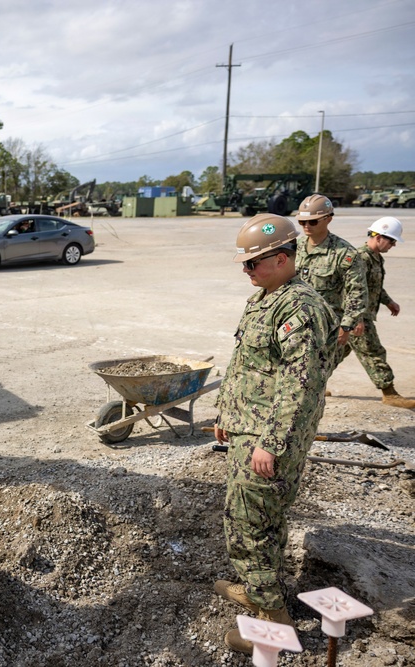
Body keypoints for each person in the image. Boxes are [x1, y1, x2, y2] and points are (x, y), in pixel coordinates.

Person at [213, 213, 337, 655]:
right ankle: (258, 587)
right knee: (260, 519)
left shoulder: (298, 307)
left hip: (269, 436)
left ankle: (273, 621)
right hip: (250, 427)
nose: (246, 271)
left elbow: (299, 384)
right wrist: (227, 410)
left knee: (250, 525)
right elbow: (249, 362)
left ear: (282, 259)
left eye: (252, 264)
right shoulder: (268, 296)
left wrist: (271, 442)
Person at [333, 217, 415, 409]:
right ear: (379, 237)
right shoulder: (361, 258)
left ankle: (313, 383)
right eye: (392, 241)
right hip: (357, 316)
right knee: (373, 352)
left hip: (362, 314)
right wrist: (356, 319)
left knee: (334, 353)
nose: (393, 245)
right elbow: (350, 290)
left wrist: (388, 302)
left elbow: (372, 286)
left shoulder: (375, 257)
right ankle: (389, 393)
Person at [293, 194, 368, 373]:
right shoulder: (295, 246)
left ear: (328, 219)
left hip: (326, 328)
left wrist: (347, 325)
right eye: (302, 222)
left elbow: (357, 292)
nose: (306, 226)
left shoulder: (345, 253)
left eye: (312, 222)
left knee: (316, 374)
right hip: (295, 322)